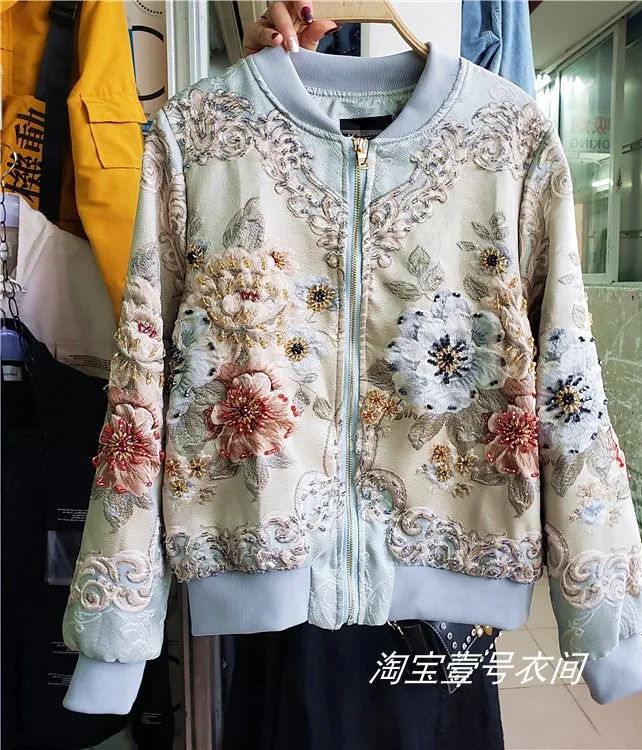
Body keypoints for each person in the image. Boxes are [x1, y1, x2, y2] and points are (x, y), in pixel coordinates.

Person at [220, 7, 506, 749]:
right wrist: (120, 625)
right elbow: (145, 363)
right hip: (279, 563)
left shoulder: (506, 137)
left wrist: (602, 609)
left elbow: (566, 360)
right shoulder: (211, 131)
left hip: (442, 570)